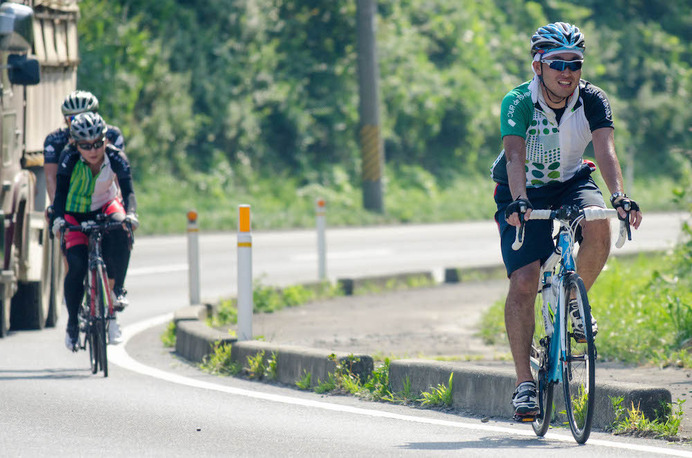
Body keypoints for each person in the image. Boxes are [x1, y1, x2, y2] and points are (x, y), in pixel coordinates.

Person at [490, 22, 643, 420]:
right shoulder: (518, 100)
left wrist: (620, 197)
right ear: (538, 65)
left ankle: (573, 301)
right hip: (520, 189)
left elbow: (605, 149)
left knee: (598, 224)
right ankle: (525, 383)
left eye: (574, 63)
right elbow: (513, 158)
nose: (567, 71)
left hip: (572, 181)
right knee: (524, 280)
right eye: (557, 62)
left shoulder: (592, 98)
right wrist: (520, 201)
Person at [51, 112, 139, 351]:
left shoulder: (116, 158)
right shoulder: (68, 158)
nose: (93, 150)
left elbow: (129, 192)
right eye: (86, 146)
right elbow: (59, 195)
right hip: (74, 212)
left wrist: (131, 214)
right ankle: (71, 325)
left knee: (122, 228)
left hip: (105, 206)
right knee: (77, 266)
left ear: (105, 140)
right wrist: (58, 219)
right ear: (75, 144)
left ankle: (117, 291)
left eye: (98, 143)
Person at [44, 90, 125, 203]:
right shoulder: (54, 140)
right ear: (65, 120)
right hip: (71, 200)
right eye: (73, 119)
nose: (80, 122)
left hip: (104, 199)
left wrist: (119, 198)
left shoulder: (111, 135)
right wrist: (55, 206)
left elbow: (119, 174)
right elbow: (51, 178)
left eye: (86, 116)